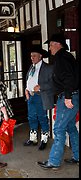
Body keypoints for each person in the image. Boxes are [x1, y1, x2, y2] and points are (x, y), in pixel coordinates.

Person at [37, 33, 79, 169]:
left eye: (50, 45)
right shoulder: (65, 57)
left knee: (59, 128)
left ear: (57, 44)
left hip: (68, 96)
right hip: (71, 95)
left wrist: (67, 97)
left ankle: (54, 161)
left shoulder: (62, 58)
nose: (49, 48)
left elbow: (69, 78)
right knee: (71, 127)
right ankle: (78, 156)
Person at [24, 45, 54, 150]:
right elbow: (29, 80)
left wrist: (41, 87)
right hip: (31, 96)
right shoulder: (31, 67)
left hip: (41, 96)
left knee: (42, 117)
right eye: (31, 56)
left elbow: (53, 83)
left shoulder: (48, 68)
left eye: (34, 56)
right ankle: (33, 138)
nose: (32, 58)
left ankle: (44, 139)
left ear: (40, 56)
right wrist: (26, 90)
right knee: (31, 117)